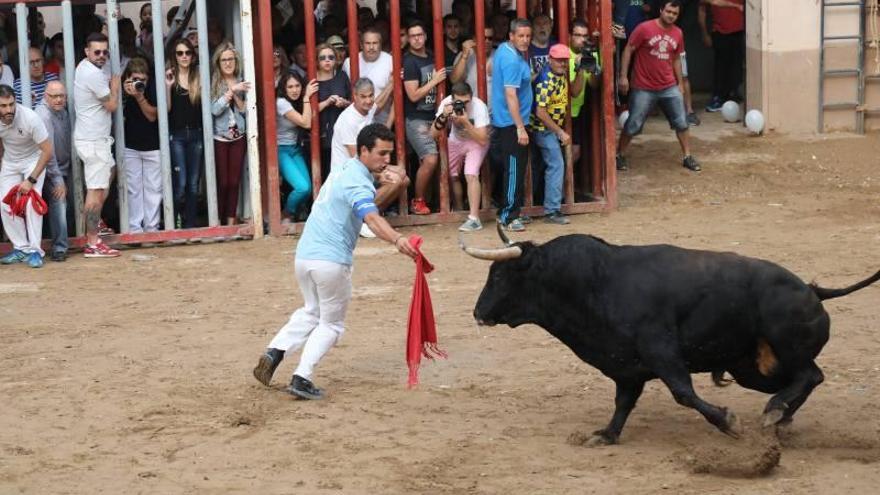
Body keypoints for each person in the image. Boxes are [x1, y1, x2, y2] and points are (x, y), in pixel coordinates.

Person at [252, 123, 419, 400]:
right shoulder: (358, 181)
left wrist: (391, 181)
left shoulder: (344, 170)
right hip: (330, 260)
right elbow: (371, 216)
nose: (386, 160)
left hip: (304, 256)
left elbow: (368, 201)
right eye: (381, 154)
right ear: (363, 151)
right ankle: (302, 377)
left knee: (312, 310)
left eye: (389, 154)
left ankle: (275, 351)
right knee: (332, 324)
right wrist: (398, 240)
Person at [616, 1, 701, 173]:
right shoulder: (644, 28)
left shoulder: (678, 33)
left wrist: (680, 83)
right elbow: (628, 50)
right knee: (633, 124)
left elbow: (676, 58)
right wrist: (623, 76)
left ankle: (687, 156)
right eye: (668, 11)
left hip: (668, 86)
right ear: (661, 10)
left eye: (675, 13)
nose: (671, 15)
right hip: (643, 87)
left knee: (682, 122)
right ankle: (620, 154)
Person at [74, 33, 121, 257]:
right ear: (87, 52)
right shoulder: (92, 73)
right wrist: (116, 86)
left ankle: (97, 224)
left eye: (105, 52)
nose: (102, 56)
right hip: (93, 141)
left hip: (95, 139)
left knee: (108, 174)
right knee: (95, 192)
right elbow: (112, 105)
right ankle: (92, 242)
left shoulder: (86, 66)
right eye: (97, 52)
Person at [0, 84, 52, 268]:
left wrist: (30, 180)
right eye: (3, 106)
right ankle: (21, 248)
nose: (9, 110)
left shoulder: (30, 118)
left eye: (11, 104)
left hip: (34, 160)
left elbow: (47, 151)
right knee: (4, 203)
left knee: (32, 204)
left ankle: (36, 251)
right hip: (10, 162)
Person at [490, 18, 533, 232]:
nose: (525, 40)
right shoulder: (512, 60)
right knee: (514, 169)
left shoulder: (504, 51)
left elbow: (490, 69)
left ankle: (510, 211)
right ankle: (508, 215)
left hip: (505, 120)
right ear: (511, 36)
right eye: (521, 36)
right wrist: (520, 127)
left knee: (511, 168)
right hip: (511, 123)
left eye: (528, 36)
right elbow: (510, 94)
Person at [431, 82, 489, 232]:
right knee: (452, 175)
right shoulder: (446, 104)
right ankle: (459, 208)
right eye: (459, 102)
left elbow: (483, 139)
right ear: (452, 99)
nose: (462, 105)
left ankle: (474, 218)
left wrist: (465, 122)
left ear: (471, 97)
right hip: (456, 140)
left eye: (466, 102)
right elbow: (433, 134)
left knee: (471, 174)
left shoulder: (478, 106)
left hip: (476, 142)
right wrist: (443, 116)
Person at [403, 21, 446, 215]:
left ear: (426, 36)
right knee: (430, 159)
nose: (417, 39)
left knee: (434, 162)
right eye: (413, 36)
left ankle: (431, 201)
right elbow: (413, 95)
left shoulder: (432, 55)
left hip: (434, 115)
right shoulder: (409, 61)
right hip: (416, 118)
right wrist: (435, 81)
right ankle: (417, 201)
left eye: (420, 35)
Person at [530, 44, 572, 225]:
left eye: (565, 61)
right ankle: (552, 210)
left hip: (550, 128)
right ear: (550, 60)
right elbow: (540, 112)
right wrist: (560, 132)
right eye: (559, 61)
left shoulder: (560, 75)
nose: (563, 64)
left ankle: (545, 204)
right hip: (542, 129)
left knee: (544, 165)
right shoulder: (546, 80)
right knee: (556, 164)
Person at [210, 42, 251, 226]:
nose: (228, 63)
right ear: (218, 62)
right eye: (224, 60)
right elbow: (215, 110)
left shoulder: (242, 80)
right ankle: (217, 220)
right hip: (220, 137)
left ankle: (230, 221)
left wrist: (236, 90)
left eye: (231, 59)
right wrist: (231, 91)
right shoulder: (214, 82)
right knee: (223, 182)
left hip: (239, 136)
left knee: (234, 182)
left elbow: (244, 110)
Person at [166, 38, 204, 228]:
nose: (184, 56)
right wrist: (168, 86)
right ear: (175, 56)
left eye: (187, 53)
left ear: (193, 55)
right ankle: (175, 221)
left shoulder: (199, 76)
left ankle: (190, 225)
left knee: (193, 184)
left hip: (196, 134)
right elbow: (167, 109)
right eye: (180, 53)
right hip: (177, 136)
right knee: (180, 184)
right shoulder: (170, 76)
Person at [121, 57, 161, 235]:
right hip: (130, 146)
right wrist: (123, 93)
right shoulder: (123, 90)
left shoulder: (152, 88)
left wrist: (139, 97)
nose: (139, 83)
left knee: (154, 190)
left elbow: (153, 116)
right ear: (128, 77)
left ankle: (151, 229)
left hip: (153, 146)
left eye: (143, 80)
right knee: (133, 190)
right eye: (135, 79)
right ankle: (135, 229)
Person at [36, 80, 72, 262]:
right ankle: (59, 248)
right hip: (47, 169)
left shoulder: (62, 111)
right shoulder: (43, 115)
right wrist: (58, 180)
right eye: (54, 96)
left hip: (62, 167)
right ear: (45, 96)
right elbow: (47, 153)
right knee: (59, 200)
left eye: (61, 96)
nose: (58, 100)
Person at [276, 72, 317, 222]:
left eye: (297, 86)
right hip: (281, 150)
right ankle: (286, 214)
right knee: (302, 187)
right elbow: (306, 123)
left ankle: (294, 213)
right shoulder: (281, 103)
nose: (294, 90)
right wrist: (307, 98)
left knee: (308, 189)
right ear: (284, 89)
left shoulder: (296, 102)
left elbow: (312, 114)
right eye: (290, 87)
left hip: (295, 148)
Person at [342, 27, 394, 127]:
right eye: (368, 43)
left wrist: (389, 125)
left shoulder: (390, 61)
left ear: (381, 45)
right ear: (361, 45)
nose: (371, 47)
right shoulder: (349, 62)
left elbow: (397, 98)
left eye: (375, 43)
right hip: (356, 122)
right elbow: (346, 92)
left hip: (382, 123)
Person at [699, 0, 745, 112]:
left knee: (737, 66)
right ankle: (718, 97)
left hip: (740, 31)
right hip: (720, 32)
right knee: (721, 67)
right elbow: (702, 10)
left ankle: (733, 94)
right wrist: (704, 33)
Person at [315, 43, 351, 179]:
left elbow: (352, 103)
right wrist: (327, 102)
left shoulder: (342, 76)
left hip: (341, 132)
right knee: (324, 174)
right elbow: (306, 111)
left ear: (336, 60)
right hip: (320, 135)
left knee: (343, 172)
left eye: (331, 57)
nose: (327, 60)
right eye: (322, 57)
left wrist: (344, 103)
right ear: (317, 61)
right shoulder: (312, 80)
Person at [568, 20, 599, 165]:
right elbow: (574, 92)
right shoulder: (564, 55)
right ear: (570, 36)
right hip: (563, 111)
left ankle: (565, 185)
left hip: (579, 110)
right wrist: (579, 68)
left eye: (585, 36)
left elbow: (594, 85)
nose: (582, 40)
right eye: (578, 35)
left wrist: (592, 68)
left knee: (575, 152)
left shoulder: (591, 54)